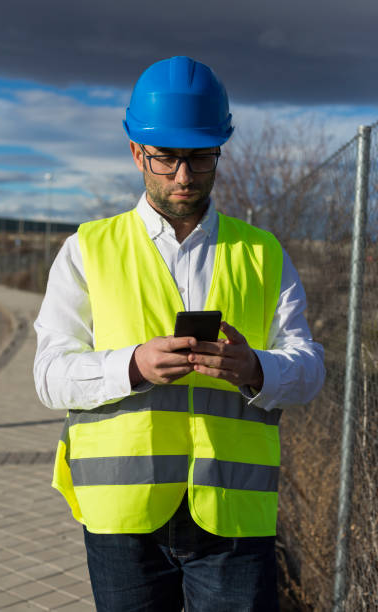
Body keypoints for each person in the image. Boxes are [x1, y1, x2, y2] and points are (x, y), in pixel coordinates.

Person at [33, 56, 325, 612]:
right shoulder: (87, 251)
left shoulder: (262, 253)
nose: (183, 176)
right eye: (166, 158)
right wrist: (131, 365)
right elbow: (49, 376)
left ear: (220, 149)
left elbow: (309, 367)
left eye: (199, 157)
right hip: (123, 522)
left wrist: (258, 369)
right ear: (137, 152)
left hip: (234, 522)